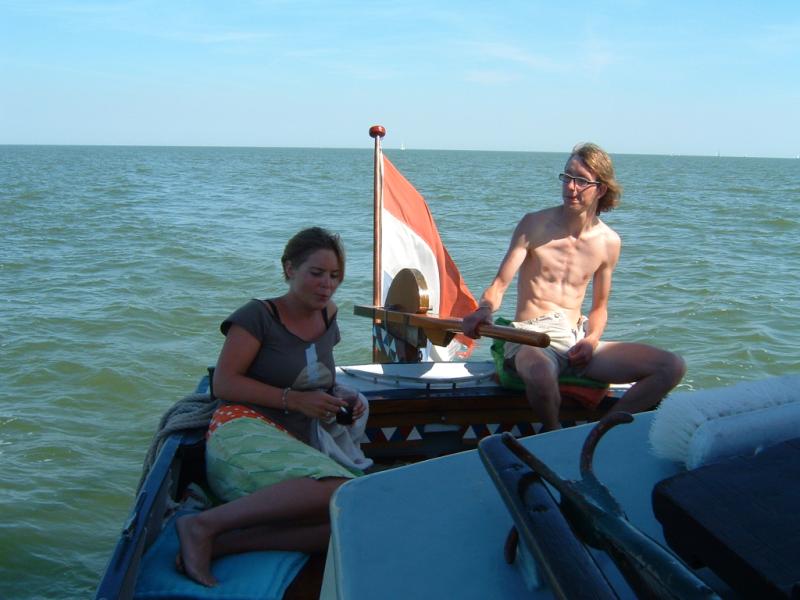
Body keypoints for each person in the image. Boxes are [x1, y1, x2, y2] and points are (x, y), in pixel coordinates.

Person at [176, 227, 368, 587]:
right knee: (342, 492)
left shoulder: (327, 315)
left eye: (335, 276)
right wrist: (293, 400)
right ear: (289, 269)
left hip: (296, 438)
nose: (327, 285)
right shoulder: (258, 317)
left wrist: (344, 396)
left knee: (354, 515)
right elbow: (224, 383)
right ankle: (202, 525)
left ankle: (223, 543)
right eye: (317, 273)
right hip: (242, 428)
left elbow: (319, 378)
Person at [462, 143, 685, 432]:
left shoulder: (608, 242)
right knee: (540, 373)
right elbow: (499, 285)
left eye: (581, 180)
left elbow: (600, 307)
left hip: (575, 339)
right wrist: (485, 309)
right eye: (567, 177)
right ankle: (556, 437)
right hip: (532, 338)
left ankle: (601, 432)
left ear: (600, 189)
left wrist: (591, 340)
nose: (570, 187)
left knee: (671, 367)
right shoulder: (534, 225)